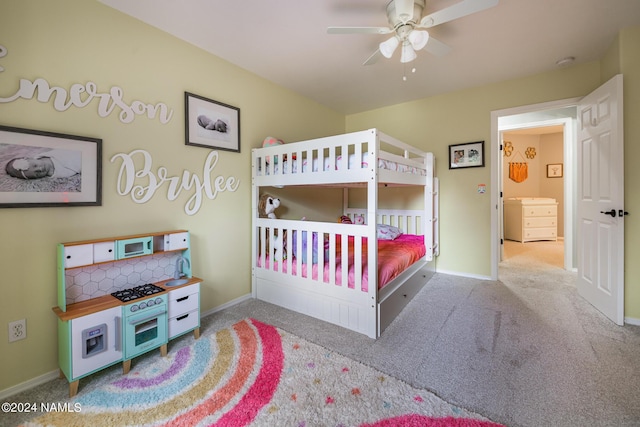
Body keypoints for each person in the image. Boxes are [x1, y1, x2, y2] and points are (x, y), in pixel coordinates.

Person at [5, 148, 81, 180]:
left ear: (30, 158)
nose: (40, 169)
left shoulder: (44, 155)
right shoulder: (56, 173)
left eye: (35, 165)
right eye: (37, 173)